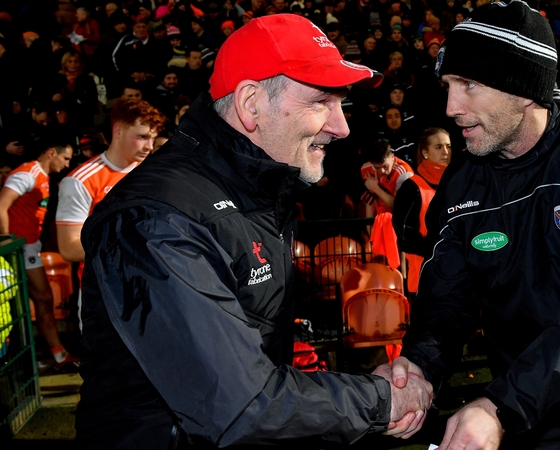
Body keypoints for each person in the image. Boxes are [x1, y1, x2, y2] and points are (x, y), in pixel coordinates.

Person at [74, 15, 432, 448]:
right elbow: (241, 404)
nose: (343, 127)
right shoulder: (158, 219)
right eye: (321, 101)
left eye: (341, 103)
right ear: (250, 102)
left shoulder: (259, 189)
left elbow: (257, 360)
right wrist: (380, 401)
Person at [381, 2, 560, 448]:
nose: (451, 107)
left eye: (469, 85)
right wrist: (419, 367)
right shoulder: (460, 186)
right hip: (527, 407)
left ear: (523, 89)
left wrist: (501, 406)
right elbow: (445, 304)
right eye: (447, 85)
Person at [56, 99, 166, 271]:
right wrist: (129, 243)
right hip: (102, 288)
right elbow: (69, 248)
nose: (149, 147)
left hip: (147, 282)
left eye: (152, 138)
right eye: (142, 137)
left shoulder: (151, 173)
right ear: (118, 131)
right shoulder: (80, 180)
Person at [0, 134, 75, 369]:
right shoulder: (27, 174)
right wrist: (6, 241)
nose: (67, 164)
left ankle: (56, 354)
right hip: (20, 248)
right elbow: (1, 205)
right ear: (51, 152)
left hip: (29, 246)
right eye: (65, 158)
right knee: (40, 298)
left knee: (38, 299)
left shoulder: (41, 177)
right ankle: (54, 354)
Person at [392, 127, 450, 297]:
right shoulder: (411, 187)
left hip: (456, 278)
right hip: (424, 279)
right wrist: (439, 248)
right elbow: (405, 236)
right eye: (438, 147)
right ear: (425, 152)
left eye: (448, 146)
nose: (446, 152)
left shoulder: (456, 184)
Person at [361, 139, 414, 217]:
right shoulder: (367, 169)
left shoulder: (404, 173)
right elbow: (371, 200)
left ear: (392, 156)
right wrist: (369, 227)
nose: (382, 171)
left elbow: (399, 206)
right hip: (379, 220)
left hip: (399, 221)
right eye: (377, 168)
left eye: (385, 166)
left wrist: (375, 188)